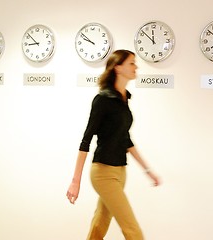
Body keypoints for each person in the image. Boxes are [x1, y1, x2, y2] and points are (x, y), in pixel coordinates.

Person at [66, 49, 160, 240]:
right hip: (103, 173)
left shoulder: (124, 99)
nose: (136, 67)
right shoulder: (103, 100)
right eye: (132, 63)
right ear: (118, 67)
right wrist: (76, 181)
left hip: (120, 172)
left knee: (100, 222)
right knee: (133, 230)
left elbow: (126, 139)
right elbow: (86, 139)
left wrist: (147, 170)